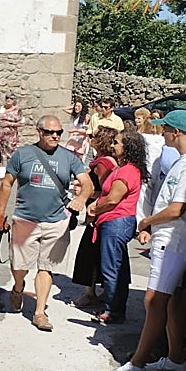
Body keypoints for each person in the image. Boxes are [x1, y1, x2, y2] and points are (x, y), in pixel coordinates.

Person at [107, 110, 186, 371]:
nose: (162, 133)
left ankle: (137, 364)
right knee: (172, 299)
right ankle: (176, 360)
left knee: (154, 300)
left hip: (176, 240)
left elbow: (177, 209)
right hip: (171, 238)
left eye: (166, 130)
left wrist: (146, 223)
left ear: (176, 133)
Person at [0, 115, 93, 332]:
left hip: (56, 221)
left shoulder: (69, 158)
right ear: (39, 132)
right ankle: (18, 287)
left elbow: (88, 184)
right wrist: (0, 213)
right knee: (19, 266)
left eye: (58, 133)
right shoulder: (23, 154)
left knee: (46, 267)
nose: (55, 136)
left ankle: (40, 312)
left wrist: (81, 199)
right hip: (25, 219)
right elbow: (7, 184)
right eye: (50, 132)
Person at [90, 129, 147, 325]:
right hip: (117, 222)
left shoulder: (127, 171)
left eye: (117, 143)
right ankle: (115, 308)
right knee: (118, 267)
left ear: (127, 147)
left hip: (116, 222)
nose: (113, 146)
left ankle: (112, 311)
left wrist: (95, 209)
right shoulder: (124, 169)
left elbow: (113, 199)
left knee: (111, 268)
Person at [72, 126, 119, 307]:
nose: (90, 138)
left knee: (89, 253)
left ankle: (89, 293)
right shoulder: (108, 161)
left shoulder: (102, 164)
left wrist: (86, 193)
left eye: (93, 136)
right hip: (103, 214)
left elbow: (105, 191)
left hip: (99, 214)